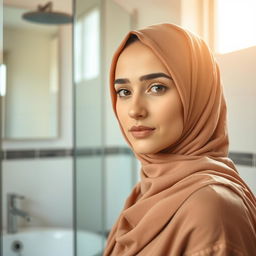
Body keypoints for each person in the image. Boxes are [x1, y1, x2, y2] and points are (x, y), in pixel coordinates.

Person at [103, 23, 256, 255]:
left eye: (157, 87)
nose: (134, 110)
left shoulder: (211, 208)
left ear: (197, 96)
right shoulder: (145, 190)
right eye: (124, 92)